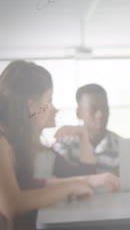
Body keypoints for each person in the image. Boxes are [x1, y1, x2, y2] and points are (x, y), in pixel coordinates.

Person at [0, 61, 95, 230]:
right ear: (31, 106)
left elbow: (28, 186)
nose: (53, 107)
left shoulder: (13, 142)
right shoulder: (2, 141)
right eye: (48, 100)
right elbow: (12, 204)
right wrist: (69, 187)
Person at [52, 84, 122, 176]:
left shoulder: (121, 146)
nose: (100, 115)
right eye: (93, 109)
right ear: (78, 113)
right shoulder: (65, 144)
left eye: (104, 108)